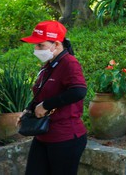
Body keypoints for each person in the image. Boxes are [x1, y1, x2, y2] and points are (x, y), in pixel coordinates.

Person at [19, 20, 87, 175]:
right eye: (35, 45)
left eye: (40, 45)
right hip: (43, 135)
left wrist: (46, 105)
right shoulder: (49, 65)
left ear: (56, 44)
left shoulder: (69, 63)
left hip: (65, 137)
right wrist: (28, 110)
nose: (36, 49)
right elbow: (41, 93)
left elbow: (78, 91)